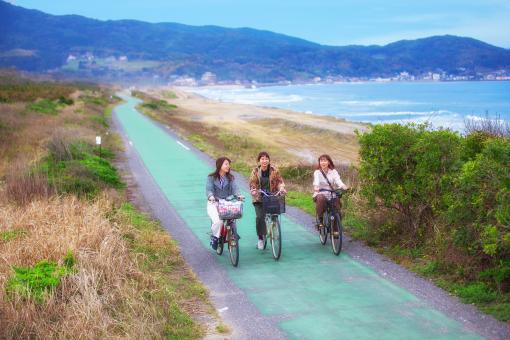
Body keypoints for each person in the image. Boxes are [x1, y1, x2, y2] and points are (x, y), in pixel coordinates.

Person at [249, 151, 286, 250]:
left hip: (272, 197)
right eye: (262, 159)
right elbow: (253, 183)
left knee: (274, 215)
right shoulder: (255, 171)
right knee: (260, 217)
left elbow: (280, 181)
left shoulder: (274, 170)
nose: (264, 161)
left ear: (269, 160)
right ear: (259, 161)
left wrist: (281, 188)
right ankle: (261, 238)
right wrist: (254, 191)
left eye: (266, 158)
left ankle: (273, 227)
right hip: (259, 198)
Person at [206, 157, 243, 250]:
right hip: (214, 203)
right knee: (218, 221)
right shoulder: (211, 177)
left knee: (233, 217)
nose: (228, 166)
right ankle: (215, 237)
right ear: (220, 165)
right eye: (226, 164)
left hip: (227, 203)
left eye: (228, 164)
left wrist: (239, 195)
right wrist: (211, 196)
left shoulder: (230, 178)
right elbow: (209, 189)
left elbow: (235, 188)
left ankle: (233, 233)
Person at [313, 154, 348, 228]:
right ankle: (320, 219)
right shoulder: (317, 172)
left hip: (331, 193)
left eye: (325, 161)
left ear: (329, 162)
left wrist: (343, 186)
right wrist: (316, 187)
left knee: (336, 205)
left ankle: (335, 227)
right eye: (321, 161)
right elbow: (316, 181)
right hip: (320, 192)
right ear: (319, 162)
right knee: (320, 198)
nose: (323, 162)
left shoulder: (333, 171)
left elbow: (338, 180)